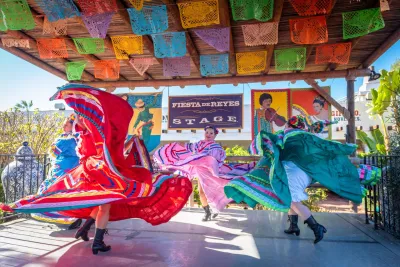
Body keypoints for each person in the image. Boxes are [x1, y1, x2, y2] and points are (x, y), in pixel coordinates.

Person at [0, 84, 192, 255]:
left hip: (93, 171)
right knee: (103, 204)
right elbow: (105, 147)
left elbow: (110, 148)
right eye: (79, 118)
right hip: (98, 172)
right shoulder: (89, 135)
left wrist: (127, 142)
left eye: (80, 118)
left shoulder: (86, 135)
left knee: (101, 205)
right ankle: (97, 242)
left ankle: (86, 231)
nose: (80, 120)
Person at [226, 115, 379, 244]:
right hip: (305, 174)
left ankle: (316, 227)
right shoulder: (309, 137)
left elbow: (270, 144)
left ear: (289, 125)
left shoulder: (286, 135)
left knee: (291, 198)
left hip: (293, 172)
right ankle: (293, 226)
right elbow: (324, 148)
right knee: (292, 196)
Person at [155, 126, 257, 221]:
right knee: (201, 192)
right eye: (207, 132)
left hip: (211, 173)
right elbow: (188, 147)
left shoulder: (215, 147)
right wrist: (176, 145)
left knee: (218, 190)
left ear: (214, 135)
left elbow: (214, 159)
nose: (208, 134)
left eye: (211, 133)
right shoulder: (199, 144)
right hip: (201, 172)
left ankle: (215, 209)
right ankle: (207, 212)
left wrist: (203, 158)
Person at [31, 114, 82, 229]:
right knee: (70, 192)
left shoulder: (65, 139)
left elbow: (53, 152)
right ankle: (74, 217)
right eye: (64, 124)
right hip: (75, 168)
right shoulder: (79, 138)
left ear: (72, 126)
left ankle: (61, 216)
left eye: (66, 124)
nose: (64, 126)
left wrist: (53, 146)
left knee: (54, 189)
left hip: (62, 168)